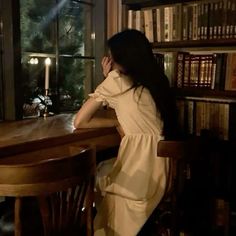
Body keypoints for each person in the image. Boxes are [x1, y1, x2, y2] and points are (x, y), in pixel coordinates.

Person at [73, 29, 178, 236]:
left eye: (111, 57)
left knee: (95, 173)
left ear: (121, 59)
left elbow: (80, 121)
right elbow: (128, 123)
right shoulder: (157, 82)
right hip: (162, 172)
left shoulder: (117, 82)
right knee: (104, 167)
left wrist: (109, 79)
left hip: (139, 174)